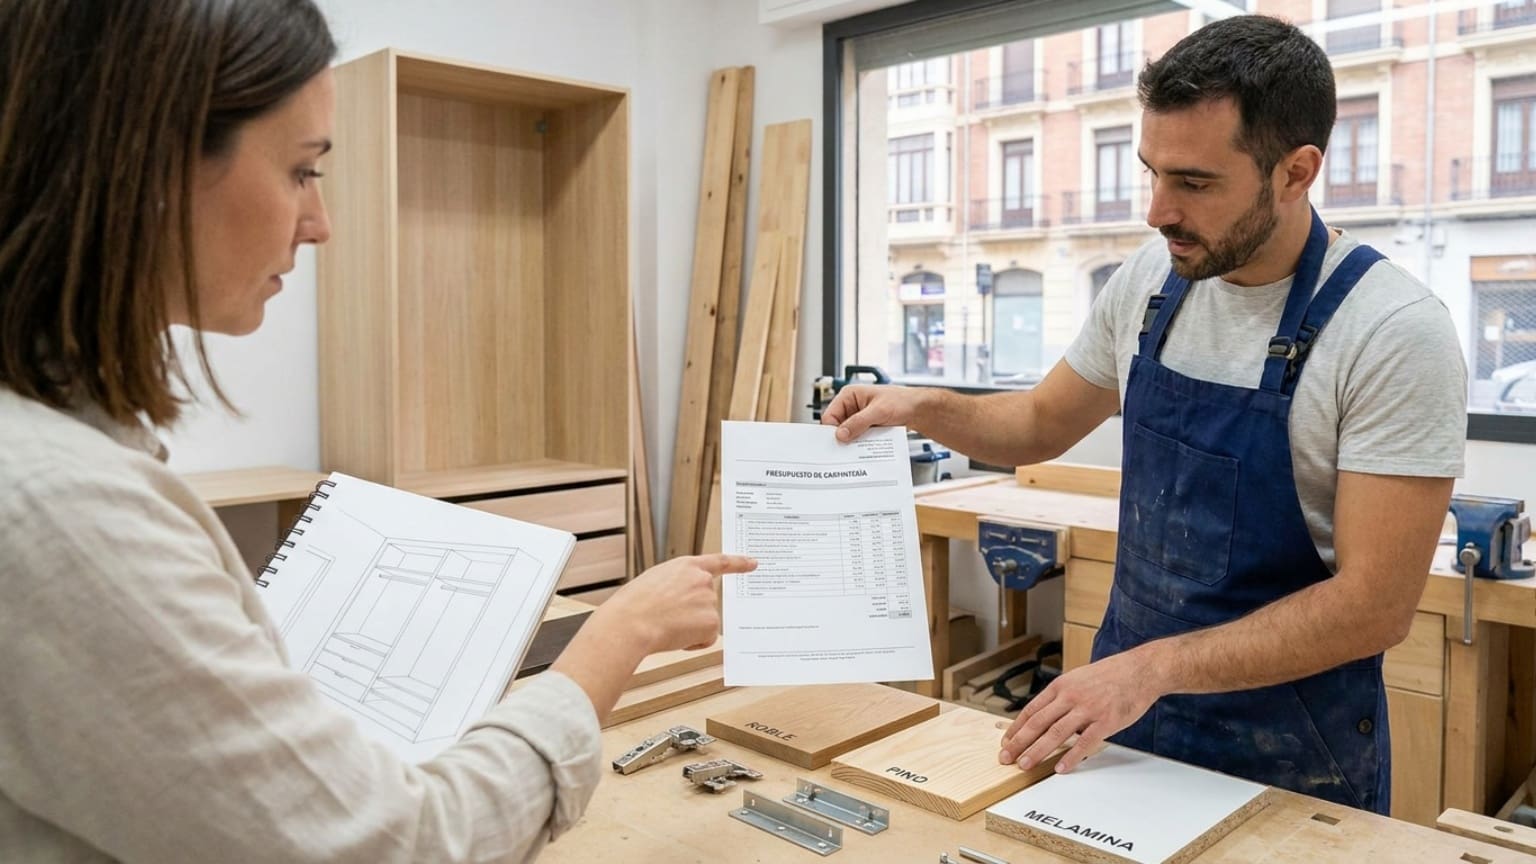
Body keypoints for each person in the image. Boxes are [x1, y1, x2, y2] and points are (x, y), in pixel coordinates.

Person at [0, 1, 753, 861]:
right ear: (147, 164)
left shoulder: (58, 449)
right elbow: (400, 845)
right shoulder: (64, 507)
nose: (320, 224)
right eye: (300, 171)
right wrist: (618, 635)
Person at [824, 14, 1465, 815]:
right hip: (1123, 726)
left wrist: (1152, 668)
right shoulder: (1152, 283)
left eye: (1194, 183)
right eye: (1150, 172)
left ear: (1296, 172)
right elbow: (1036, 424)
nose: (1157, 210)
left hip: (1290, 755)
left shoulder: (1392, 331)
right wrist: (916, 406)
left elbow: (1375, 606)